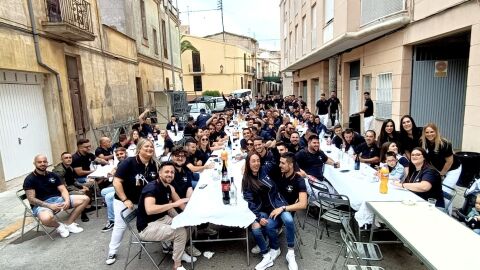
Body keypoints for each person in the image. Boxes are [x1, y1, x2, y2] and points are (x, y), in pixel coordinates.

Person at [105, 139, 159, 265]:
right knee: (120, 226)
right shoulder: (128, 162)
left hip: (144, 201)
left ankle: (166, 244)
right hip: (125, 201)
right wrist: (125, 199)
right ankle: (112, 251)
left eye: (151, 147)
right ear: (139, 149)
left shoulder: (155, 164)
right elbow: (116, 182)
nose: (149, 149)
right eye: (146, 146)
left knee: (158, 218)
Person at [136, 161, 194, 270]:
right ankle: (177, 265)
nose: (170, 174)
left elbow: (173, 206)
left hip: (162, 219)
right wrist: (173, 204)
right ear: (160, 173)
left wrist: (183, 216)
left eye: (172, 172)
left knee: (188, 224)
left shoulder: (167, 187)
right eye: (166, 172)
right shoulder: (152, 188)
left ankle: (180, 253)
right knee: (180, 232)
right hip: (147, 227)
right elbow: (150, 209)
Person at [23, 155, 89, 238]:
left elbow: (63, 189)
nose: (42, 164)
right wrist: (49, 205)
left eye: (44, 161)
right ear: (34, 163)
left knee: (85, 199)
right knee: (46, 219)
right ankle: (59, 226)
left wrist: (67, 200)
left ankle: (69, 223)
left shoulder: (52, 175)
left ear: (47, 163)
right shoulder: (30, 179)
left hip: (58, 200)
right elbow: (31, 199)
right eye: (39, 162)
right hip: (42, 205)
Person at [242, 153, 287, 270]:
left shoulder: (265, 170)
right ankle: (266, 256)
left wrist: (272, 148)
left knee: (267, 226)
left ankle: (275, 248)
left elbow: (277, 161)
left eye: (258, 160)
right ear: (248, 163)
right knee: (255, 227)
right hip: (260, 211)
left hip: (275, 208)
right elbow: (249, 202)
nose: (256, 163)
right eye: (253, 161)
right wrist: (257, 217)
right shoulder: (247, 179)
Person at [273, 152, 308, 270]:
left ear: (291, 165)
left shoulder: (299, 180)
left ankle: (291, 253)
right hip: (275, 208)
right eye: (280, 162)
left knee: (288, 220)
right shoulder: (278, 173)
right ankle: (274, 247)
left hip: (287, 209)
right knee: (268, 226)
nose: (280, 165)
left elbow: (303, 204)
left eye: (283, 163)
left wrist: (283, 208)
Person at [420, 123, 462, 188]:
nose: (429, 134)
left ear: (436, 132)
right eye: (427, 132)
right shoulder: (423, 143)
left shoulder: (445, 144)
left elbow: (449, 162)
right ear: (424, 133)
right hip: (438, 168)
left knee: (446, 190)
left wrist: (441, 174)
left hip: (452, 169)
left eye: (432, 132)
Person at [53, 152, 91, 222]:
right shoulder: (59, 171)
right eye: (66, 158)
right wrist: (79, 191)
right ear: (62, 159)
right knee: (82, 194)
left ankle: (87, 207)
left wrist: (82, 186)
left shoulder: (70, 167)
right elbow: (62, 187)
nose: (68, 159)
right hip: (62, 191)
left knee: (89, 186)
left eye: (70, 157)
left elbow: (73, 181)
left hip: (70, 187)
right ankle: (83, 213)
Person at [100, 147, 127, 233]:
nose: (119, 156)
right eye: (118, 155)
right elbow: (116, 168)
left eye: (121, 154)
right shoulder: (121, 163)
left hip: (126, 188)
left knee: (108, 197)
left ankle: (112, 221)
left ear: (125, 153)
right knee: (103, 191)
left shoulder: (128, 162)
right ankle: (115, 209)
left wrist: (115, 175)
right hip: (121, 186)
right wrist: (112, 172)